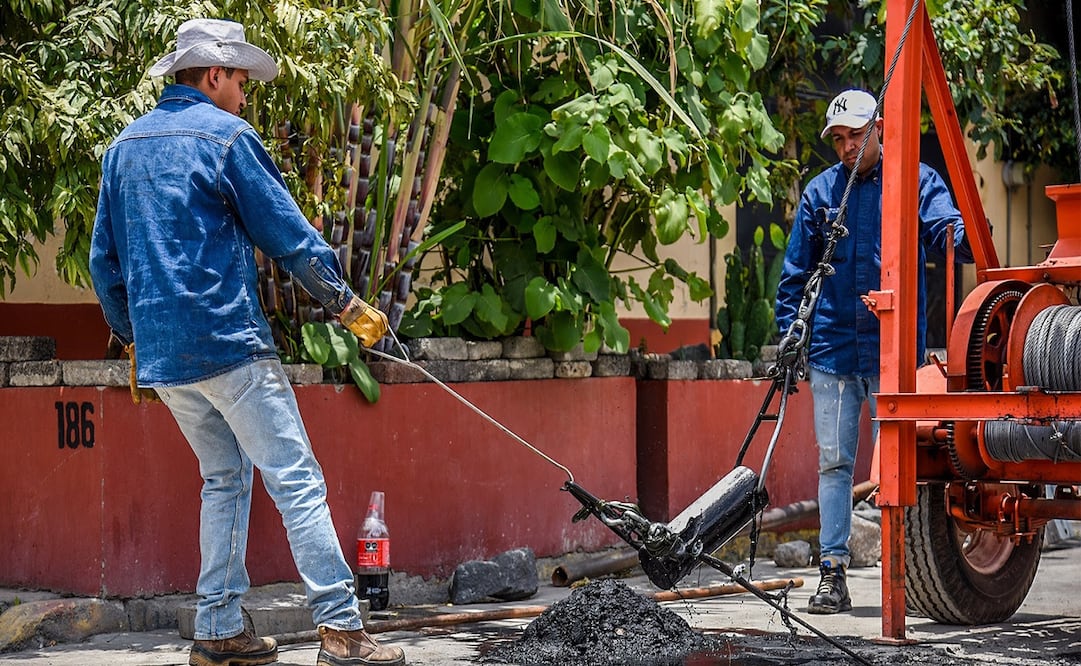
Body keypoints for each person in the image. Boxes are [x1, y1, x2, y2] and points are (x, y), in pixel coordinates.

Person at [89, 18, 405, 666]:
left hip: (166, 357)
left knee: (224, 480)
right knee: (296, 481)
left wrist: (130, 339)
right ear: (212, 76)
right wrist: (346, 304)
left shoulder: (122, 149)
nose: (243, 92)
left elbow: (104, 264)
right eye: (238, 78)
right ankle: (343, 632)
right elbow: (288, 238)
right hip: (229, 344)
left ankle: (218, 630)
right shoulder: (227, 138)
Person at [774, 89, 974, 615]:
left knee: (899, 465)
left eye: (854, 135)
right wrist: (787, 334)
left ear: (880, 126)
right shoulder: (821, 194)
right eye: (838, 139)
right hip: (831, 352)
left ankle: (901, 574)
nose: (845, 147)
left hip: (893, 353)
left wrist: (963, 232)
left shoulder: (916, 182)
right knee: (835, 464)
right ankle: (832, 575)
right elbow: (796, 274)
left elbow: (946, 231)